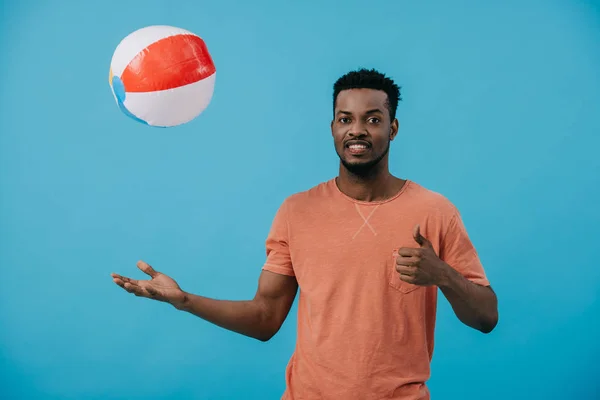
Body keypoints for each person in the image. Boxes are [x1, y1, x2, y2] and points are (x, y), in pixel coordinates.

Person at [111, 68, 498, 399]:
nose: (357, 130)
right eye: (345, 119)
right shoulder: (297, 212)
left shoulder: (434, 211)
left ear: (393, 128)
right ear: (332, 127)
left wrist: (443, 275)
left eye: (373, 119)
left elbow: (486, 317)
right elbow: (265, 319)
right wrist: (183, 300)